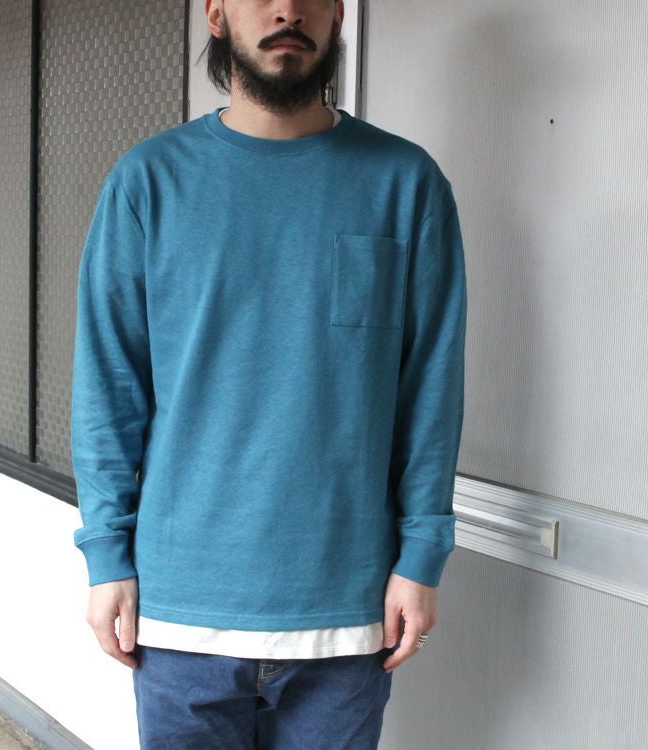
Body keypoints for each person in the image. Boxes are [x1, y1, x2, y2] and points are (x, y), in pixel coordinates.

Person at [70, 0, 467, 747]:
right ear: (217, 14)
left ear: (339, 15)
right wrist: (106, 555)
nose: (287, 9)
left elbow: (430, 390)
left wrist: (422, 556)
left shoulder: (405, 183)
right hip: (180, 609)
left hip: (346, 612)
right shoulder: (148, 182)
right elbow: (109, 386)